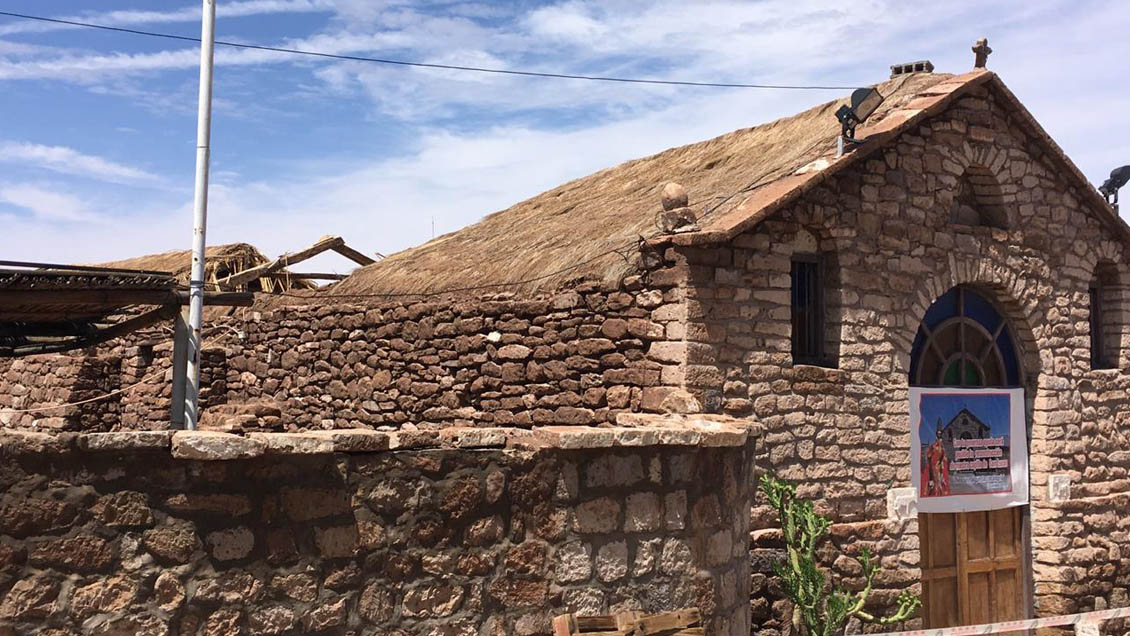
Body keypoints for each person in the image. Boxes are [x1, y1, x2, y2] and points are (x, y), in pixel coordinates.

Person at [922, 421, 951, 496]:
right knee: (934, 486)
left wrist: (943, 466)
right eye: (938, 434)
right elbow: (930, 459)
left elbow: (944, 459)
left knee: (942, 485)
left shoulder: (942, 447)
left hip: (941, 469)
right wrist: (931, 477)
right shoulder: (934, 446)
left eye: (940, 434)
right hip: (934, 469)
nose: (939, 435)